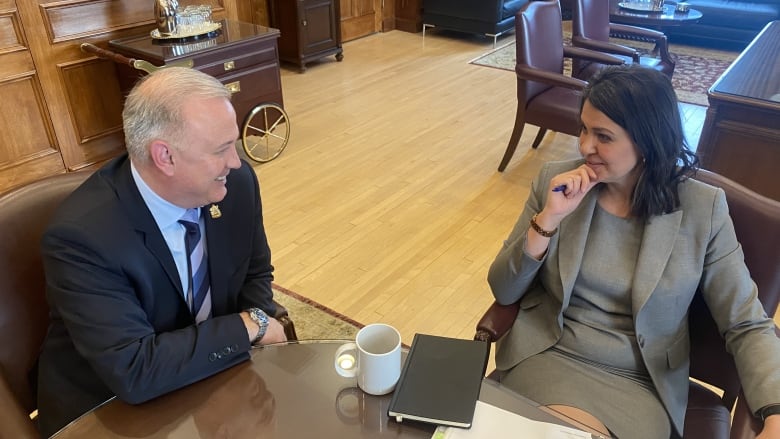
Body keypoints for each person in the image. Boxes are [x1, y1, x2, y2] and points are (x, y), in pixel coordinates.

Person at [487, 65, 780, 439]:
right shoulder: (556, 182)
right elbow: (504, 290)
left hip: (641, 381)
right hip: (548, 354)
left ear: (647, 142)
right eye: (583, 129)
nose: (584, 146)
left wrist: (775, 410)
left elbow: (746, 322)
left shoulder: (701, 210)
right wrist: (548, 220)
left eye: (603, 136)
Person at [37, 66, 287, 437]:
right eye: (221, 150)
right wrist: (249, 326)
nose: (235, 162)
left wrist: (253, 327)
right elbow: (134, 370)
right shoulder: (81, 238)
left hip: (206, 377)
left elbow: (254, 272)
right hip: (109, 408)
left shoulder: (237, 184)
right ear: (165, 157)